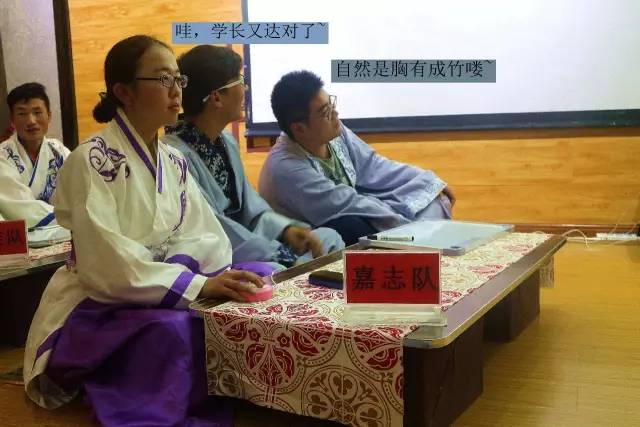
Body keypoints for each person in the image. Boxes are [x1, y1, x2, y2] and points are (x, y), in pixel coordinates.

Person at [23, 35, 273, 427]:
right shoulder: (90, 160)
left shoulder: (173, 161)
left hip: (161, 280)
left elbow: (204, 232)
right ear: (124, 92)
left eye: (178, 79)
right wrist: (195, 284)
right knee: (173, 329)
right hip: (103, 298)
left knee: (260, 275)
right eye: (162, 79)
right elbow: (107, 262)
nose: (176, 91)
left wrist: (197, 278)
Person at [164, 46, 344, 267]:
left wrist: (286, 230)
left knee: (328, 237)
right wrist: (275, 253)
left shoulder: (227, 141)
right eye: (240, 81)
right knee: (275, 268)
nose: (245, 88)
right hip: (220, 257)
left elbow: (252, 210)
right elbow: (213, 229)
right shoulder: (174, 156)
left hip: (253, 245)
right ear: (216, 97)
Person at [259, 70, 455, 245]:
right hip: (319, 237)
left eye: (332, 104)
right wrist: (408, 227)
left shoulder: (333, 132)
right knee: (352, 227)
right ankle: (418, 241)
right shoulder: (286, 168)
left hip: (357, 205)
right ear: (299, 128)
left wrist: (426, 181)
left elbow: (374, 166)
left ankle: (419, 238)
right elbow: (347, 203)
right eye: (326, 112)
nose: (335, 114)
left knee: (431, 198)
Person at [0, 82, 70, 227]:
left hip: (64, 230)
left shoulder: (59, 150)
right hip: (25, 235)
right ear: (12, 120)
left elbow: (80, 190)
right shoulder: (3, 156)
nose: (31, 121)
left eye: (37, 112)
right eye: (22, 114)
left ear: (49, 116)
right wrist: (70, 218)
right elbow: (19, 207)